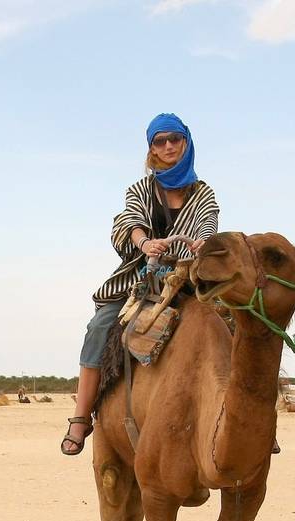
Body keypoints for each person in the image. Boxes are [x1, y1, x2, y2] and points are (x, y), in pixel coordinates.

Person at [61, 113, 218, 455]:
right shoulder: (141, 189)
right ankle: (81, 415)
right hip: (142, 278)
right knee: (100, 326)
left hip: (188, 278)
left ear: (185, 142)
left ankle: (244, 415)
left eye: (174, 139)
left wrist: (201, 244)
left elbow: (208, 224)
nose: (168, 146)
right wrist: (145, 243)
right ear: (151, 149)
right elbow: (130, 220)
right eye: (159, 141)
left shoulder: (203, 193)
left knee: (232, 323)